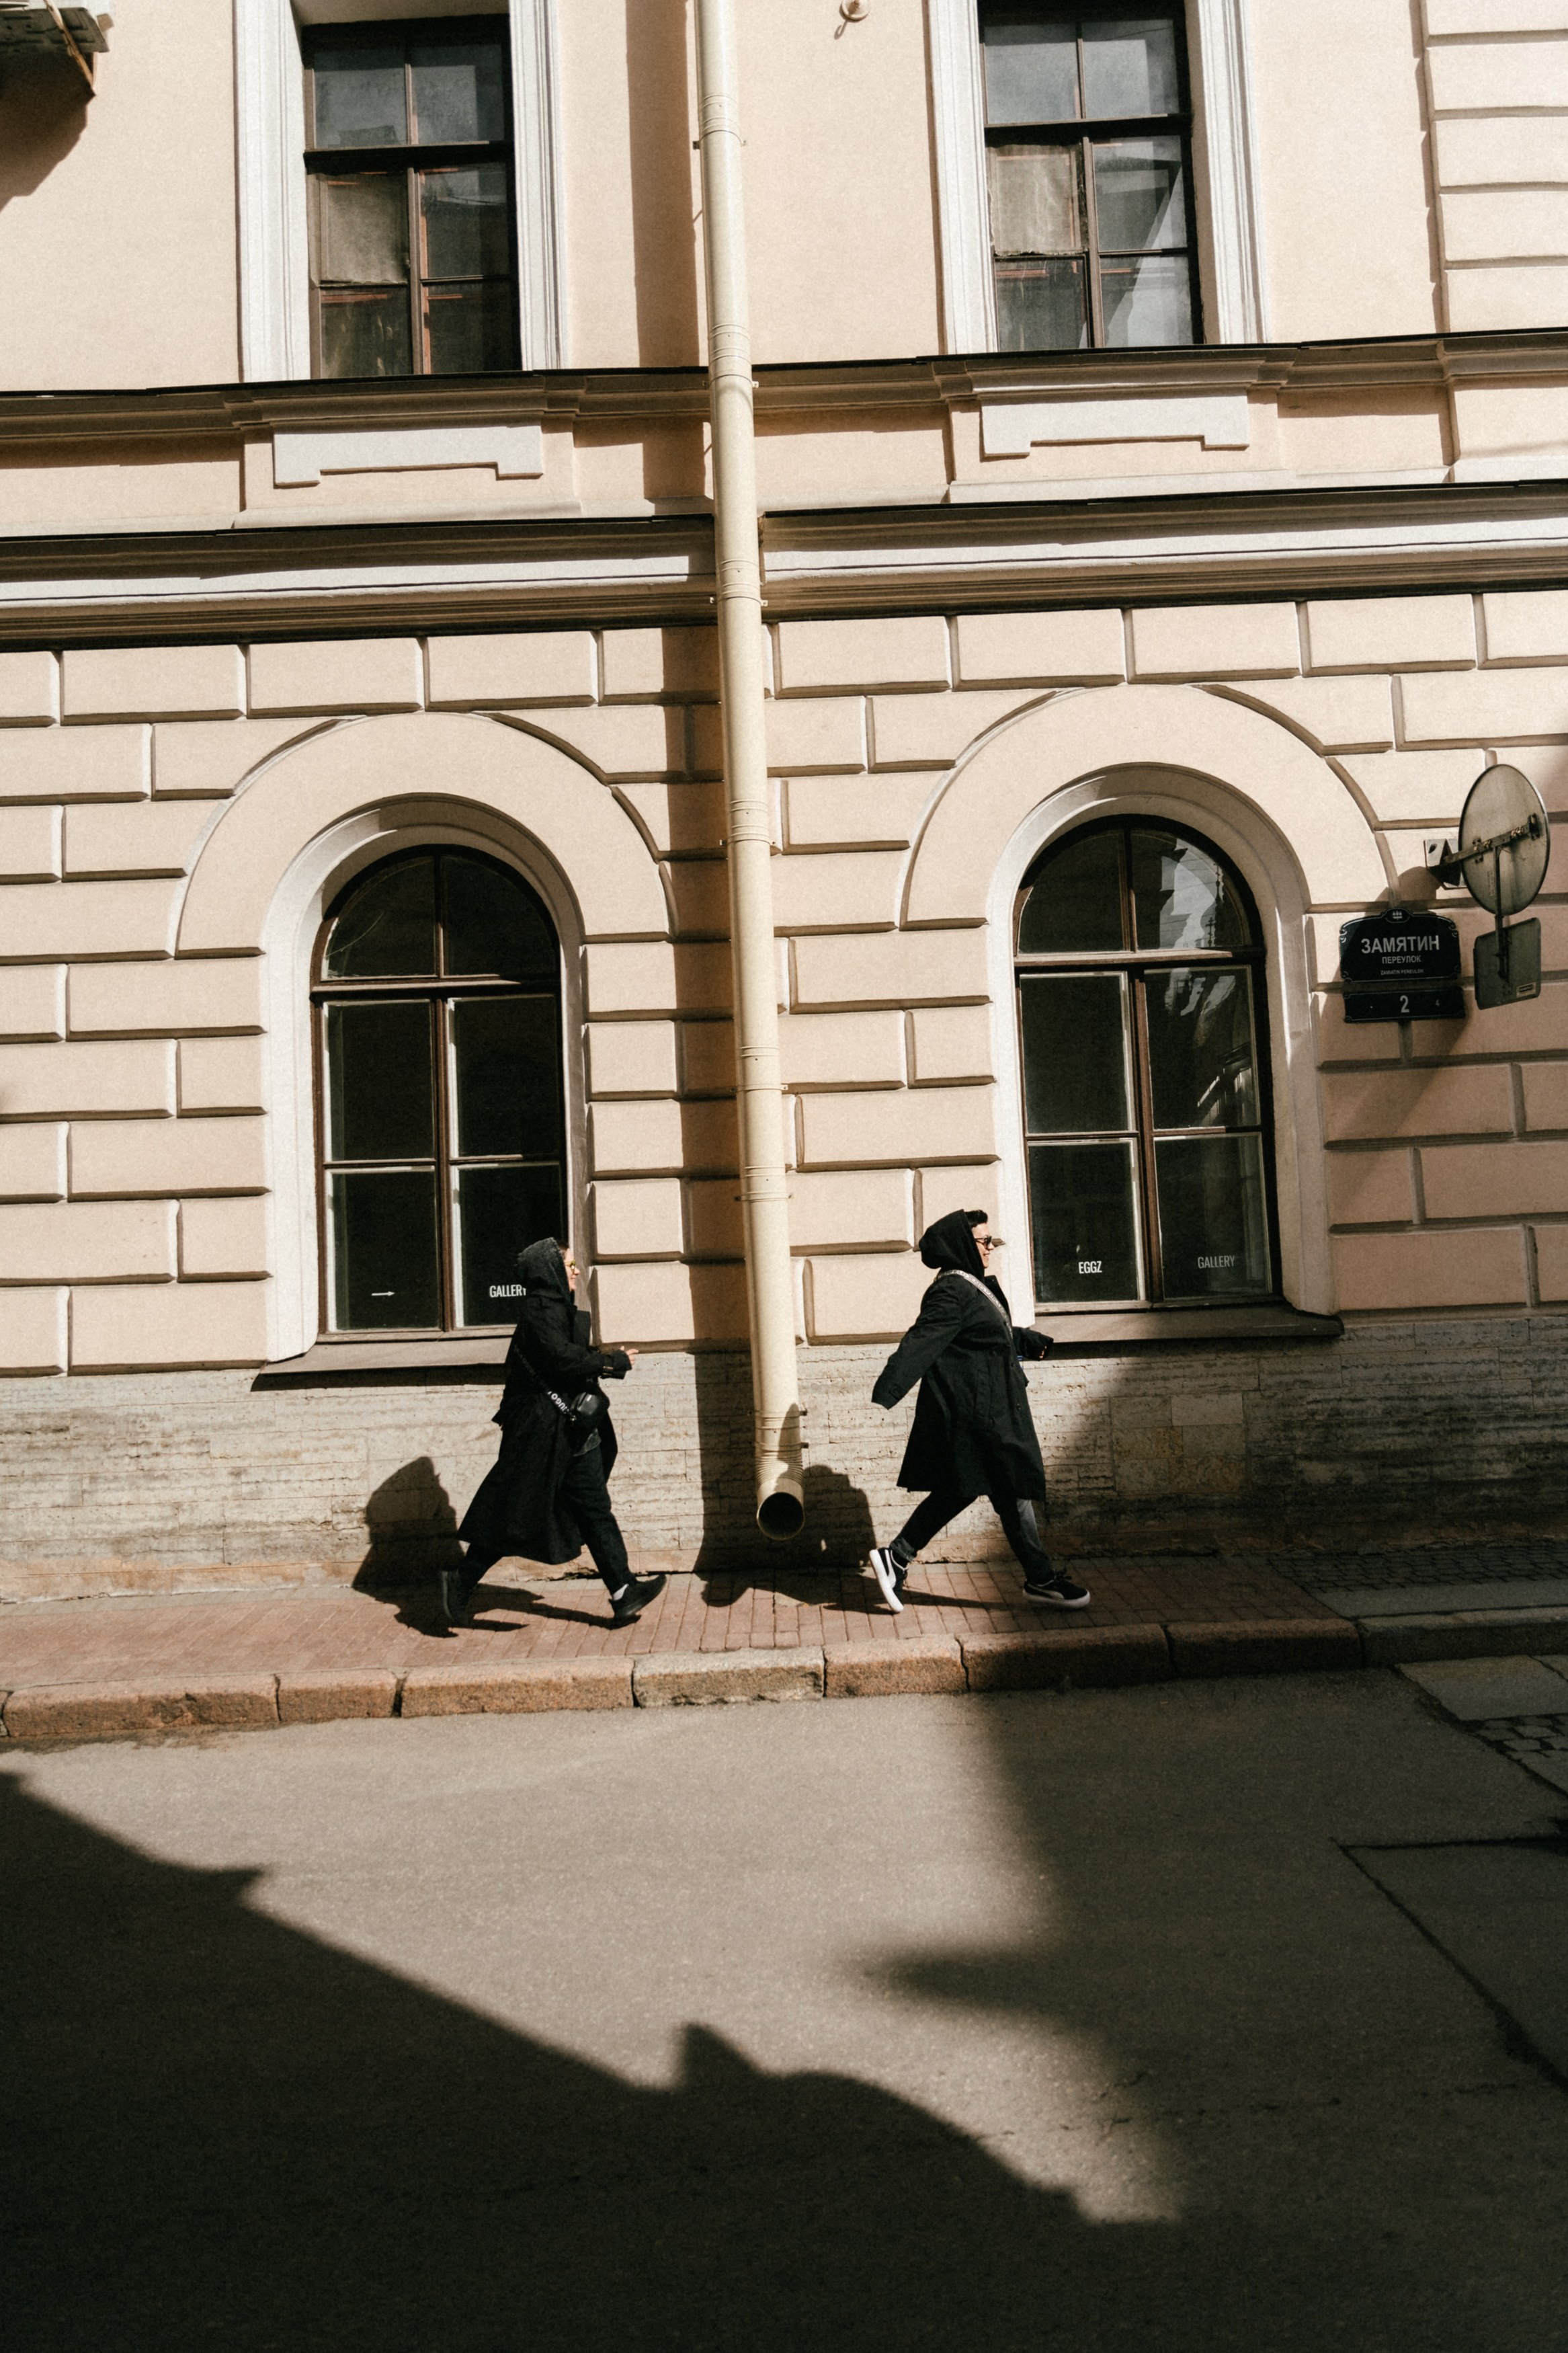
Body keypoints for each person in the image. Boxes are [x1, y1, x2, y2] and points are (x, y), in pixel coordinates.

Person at [866, 1209, 1089, 1614]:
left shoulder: (972, 1286)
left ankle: (1037, 1578)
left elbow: (984, 1338)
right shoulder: (951, 1290)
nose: (990, 1248)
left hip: (991, 1408)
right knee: (985, 1488)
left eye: (991, 1241)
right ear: (962, 1245)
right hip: (979, 1415)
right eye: (984, 1242)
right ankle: (898, 1556)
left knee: (996, 1491)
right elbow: (923, 1340)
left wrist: (1023, 1339)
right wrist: (888, 1389)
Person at [442, 1235, 665, 1629]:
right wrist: (609, 1361)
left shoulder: (553, 1307)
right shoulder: (540, 1309)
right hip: (542, 1433)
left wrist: (602, 1362)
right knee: (512, 1512)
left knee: (594, 1508)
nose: (576, 1270)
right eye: (569, 1264)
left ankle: (623, 1592)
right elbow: (560, 1359)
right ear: (549, 1272)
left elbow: (563, 1357)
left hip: (570, 1432)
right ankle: (459, 1581)